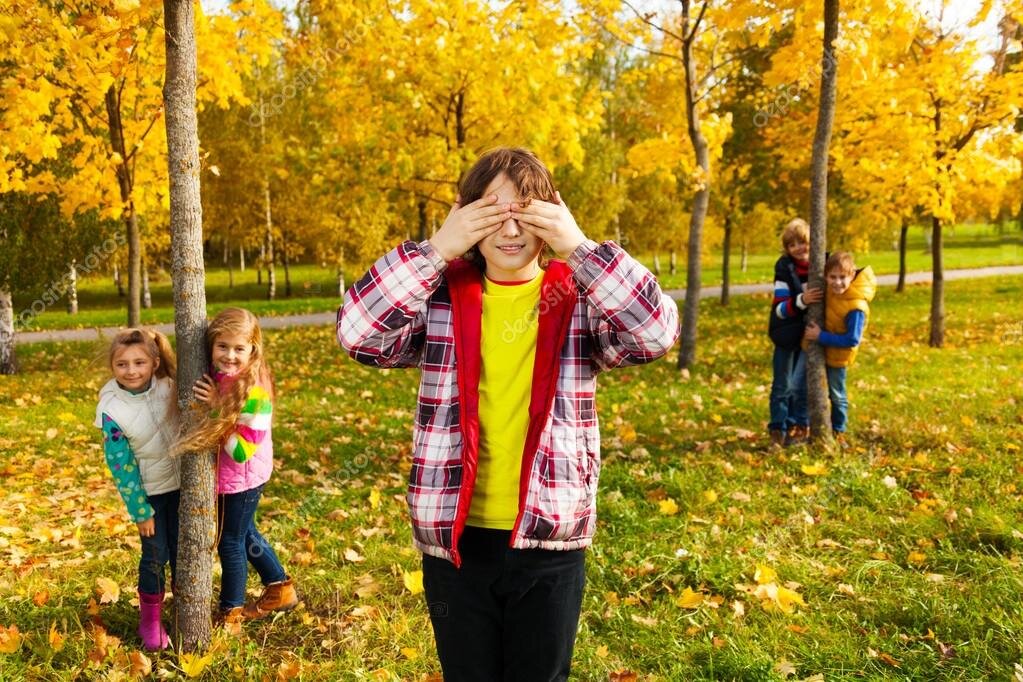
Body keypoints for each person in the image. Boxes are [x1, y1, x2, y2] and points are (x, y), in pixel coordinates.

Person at [337, 147, 680, 681]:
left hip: (549, 537)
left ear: (553, 216)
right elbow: (357, 333)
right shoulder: (442, 296)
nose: (510, 227)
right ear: (465, 216)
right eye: (493, 210)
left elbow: (656, 332)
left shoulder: (577, 295)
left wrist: (583, 250)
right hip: (456, 538)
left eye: (526, 210)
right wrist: (433, 251)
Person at [179, 307, 297, 633]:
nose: (230, 356)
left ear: (253, 350)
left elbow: (242, 451)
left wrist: (217, 410)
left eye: (239, 348)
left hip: (243, 477)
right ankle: (279, 586)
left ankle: (231, 611)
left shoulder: (255, 393)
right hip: (229, 476)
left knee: (230, 541)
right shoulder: (221, 375)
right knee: (244, 533)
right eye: (222, 347)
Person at [95, 328, 180, 651]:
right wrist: (141, 510)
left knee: (182, 551)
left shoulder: (169, 386)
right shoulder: (112, 410)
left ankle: (183, 607)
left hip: (184, 488)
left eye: (140, 362)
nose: (131, 371)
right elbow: (121, 467)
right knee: (155, 556)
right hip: (151, 495)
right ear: (112, 367)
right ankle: (151, 619)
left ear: (155, 363)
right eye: (122, 364)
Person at [803, 252, 876, 441]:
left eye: (842, 277)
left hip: (839, 356)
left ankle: (839, 431)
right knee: (807, 389)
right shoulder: (830, 292)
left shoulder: (856, 307)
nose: (837, 282)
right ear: (826, 277)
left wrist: (820, 336)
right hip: (821, 351)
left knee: (837, 395)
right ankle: (803, 425)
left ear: (851, 276)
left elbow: (852, 340)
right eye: (832, 277)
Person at [767, 218, 822, 448]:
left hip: (809, 335)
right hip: (786, 333)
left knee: (800, 385)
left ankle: (797, 426)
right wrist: (802, 300)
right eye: (793, 245)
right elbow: (780, 309)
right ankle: (777, 429)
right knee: (782, 385)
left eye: (803, 242)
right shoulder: (784, 269)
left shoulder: (820, 264)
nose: (799, 248)